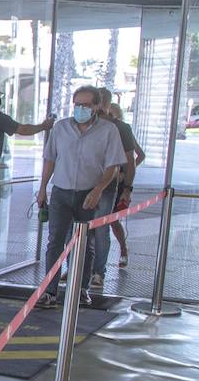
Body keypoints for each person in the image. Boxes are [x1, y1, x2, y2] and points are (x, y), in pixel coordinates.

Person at [36, 86, 127, 308]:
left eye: (86, 105)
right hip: (61, 191)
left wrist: (98, 190)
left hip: (88, 193)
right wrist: (42, 188)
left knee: (84, 244)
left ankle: (81, 289)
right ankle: (50, 291)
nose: (81, 109)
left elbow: (113, 166)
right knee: (55, 241)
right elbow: (50, 159)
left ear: (96, 106)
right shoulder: (61, 128)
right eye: (77, 104)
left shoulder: (108, 131)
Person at [89, 89, 143, 285]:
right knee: (84, 228)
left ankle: (98, 272)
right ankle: (81, 267)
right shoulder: (84, 125)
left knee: (104, 225)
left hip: (110, 185)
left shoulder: (120, 128)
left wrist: (126, 185)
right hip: (84, 184)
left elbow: (132, 158)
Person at [104, 102, 145, 270]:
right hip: (102, 178)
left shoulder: (123, 130)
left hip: (117, 182)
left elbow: (140, 155)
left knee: (112, 220)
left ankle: (123, 250)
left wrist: (126, 172)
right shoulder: (102, 131)